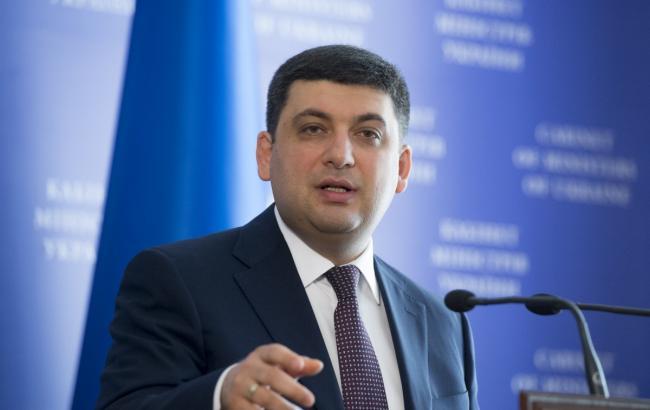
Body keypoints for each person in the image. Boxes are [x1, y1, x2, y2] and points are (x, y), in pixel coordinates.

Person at [97, 45, 478, 410]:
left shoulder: (443, 324)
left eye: (368, 134)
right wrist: (219, 398)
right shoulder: (179, 280)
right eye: (313, 129)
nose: (341, 156)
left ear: (402, 168)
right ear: (266, 154)